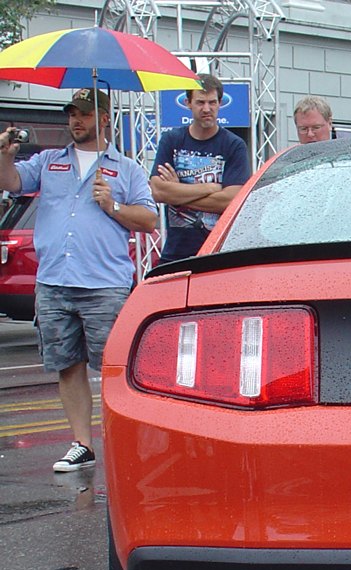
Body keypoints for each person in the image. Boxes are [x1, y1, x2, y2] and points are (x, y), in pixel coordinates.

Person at [0, 89, 158, 471]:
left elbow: (149, 220)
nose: (76, 121)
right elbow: (13, 182)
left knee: (114, 368)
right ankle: (81, 444)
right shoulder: (50, 161)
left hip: (104, 283)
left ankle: (125, 442)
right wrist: (4, 153)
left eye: (84, 114)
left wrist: (112, 205)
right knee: (66, 364)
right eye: (72, 113)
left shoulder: (126, 168)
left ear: (103, 118)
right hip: (55, 280)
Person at [150, 73, 250, 263]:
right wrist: (209, 188)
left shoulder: (234, 145)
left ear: (220, 103)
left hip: (219, 252)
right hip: (176, 252)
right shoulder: (172, 140)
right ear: (188, 103)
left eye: (212, 102)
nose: (207, 109)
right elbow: (158, 191)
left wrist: (178, 195)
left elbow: (230, 200)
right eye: (200, 102)